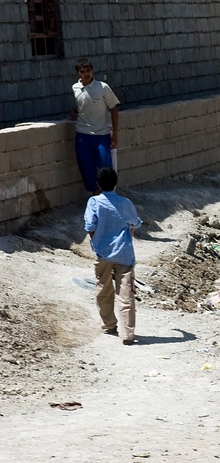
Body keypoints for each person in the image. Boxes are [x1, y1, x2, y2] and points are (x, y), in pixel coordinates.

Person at [84, 168, 142, 345]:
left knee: (103, 289)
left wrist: (98, 244)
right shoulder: (125, 203)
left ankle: (109, 324)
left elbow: (90, 226)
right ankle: (127, 334)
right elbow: (136, 222)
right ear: (115, 183)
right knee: (126, 294)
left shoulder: (94, 202)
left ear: (98, 184)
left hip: (103, 254)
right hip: (124, 254)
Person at [70, 58, 120, 195]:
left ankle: (109, 197)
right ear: (78, 73)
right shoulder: (76, 88)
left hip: (102, 135)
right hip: (83, 135)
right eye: (82, 71)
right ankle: (97, 197)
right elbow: (85, 104)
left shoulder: (103, 87)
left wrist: (114, 133)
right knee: (87, 168)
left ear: (92, 71)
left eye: (88, 71)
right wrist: (75, 110)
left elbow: (114, 109)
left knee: (106, 168)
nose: (86, 74)